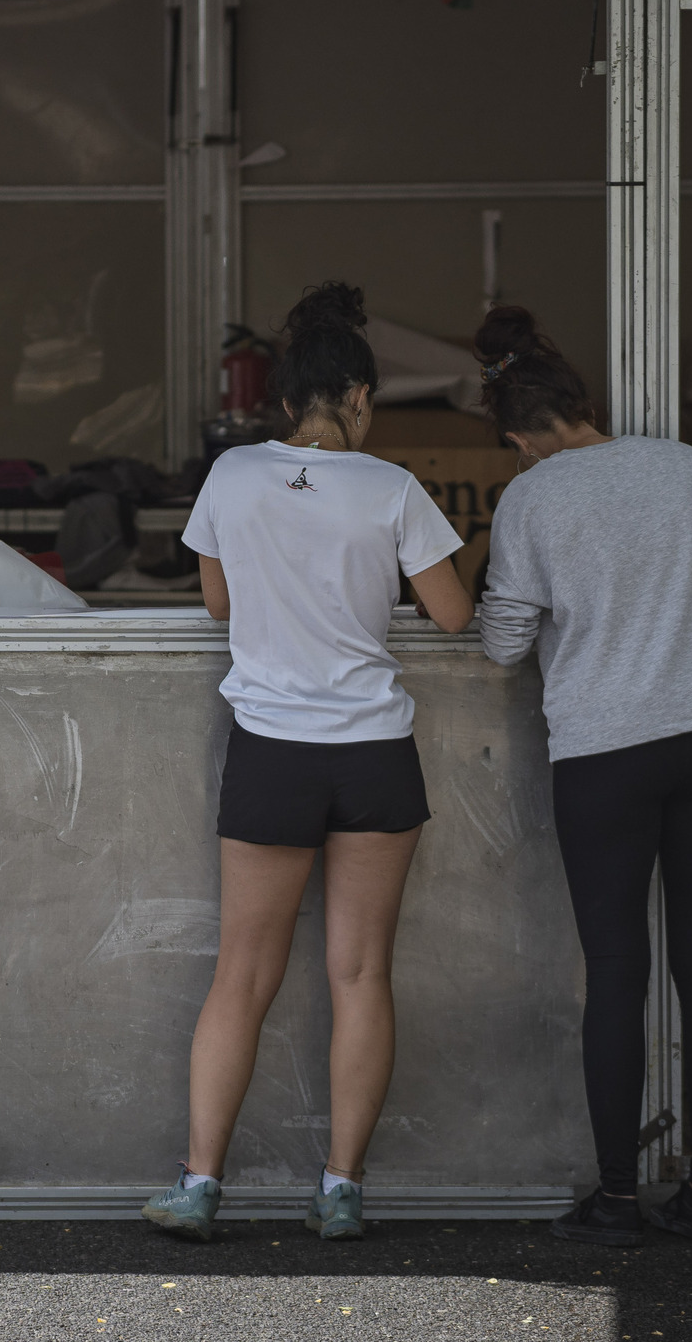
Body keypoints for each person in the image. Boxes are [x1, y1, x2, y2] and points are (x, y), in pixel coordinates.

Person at [143, 281, 475, 1244]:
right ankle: (340, 1191)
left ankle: (201, 1187)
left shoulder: (234, 475)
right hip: (373, 753)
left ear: (286, 402)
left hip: (273, 752)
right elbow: (455, 615)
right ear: (361, 398)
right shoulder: (394, 488)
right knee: (360, 975)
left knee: (241, 974)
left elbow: (217, 605)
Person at [467, 304, 692, 1248]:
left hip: (608, 748)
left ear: (521, 435)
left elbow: (502, 645)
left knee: (617, 970)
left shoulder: (532, 498)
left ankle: (616, 1198)